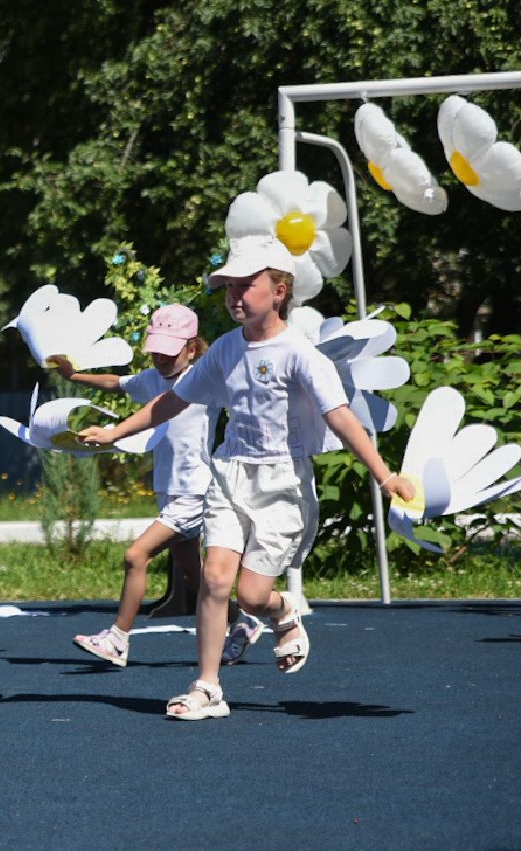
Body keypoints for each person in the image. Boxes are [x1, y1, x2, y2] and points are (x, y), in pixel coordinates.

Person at [77, 235, 415, 720]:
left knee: (252, 596)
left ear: (279, 290)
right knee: (215, 579)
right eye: (228, 286)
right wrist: (115, 431)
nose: (235, 295)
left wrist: (384, 477)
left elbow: (340, 416)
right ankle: (207, 688)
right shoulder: (224, 351)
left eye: (246, 284)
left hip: (282, 483)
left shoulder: (299, 352)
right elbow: (172, 400)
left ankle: (281, 612)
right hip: (229, 473)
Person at [50, 304, 211, 667]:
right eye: (156, 350)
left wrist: (111, 434)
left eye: (169, 352)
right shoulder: (154, 376)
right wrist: (74, 376)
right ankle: (243, 623)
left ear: (192, 348)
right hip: (169, 488)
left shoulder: (202, 379)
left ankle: (118, 639)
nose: (161, 359)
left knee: (136, 555)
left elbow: (155, 408)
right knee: (192, 577)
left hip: (195, 489)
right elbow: (119, 383)